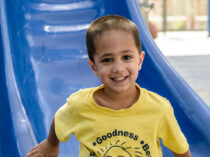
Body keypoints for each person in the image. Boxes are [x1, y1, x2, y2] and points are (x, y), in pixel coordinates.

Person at [26, 15, 191, 157]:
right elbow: (60, 120)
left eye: (126, 57)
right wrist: (51, 144)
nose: (118, 68)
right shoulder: (79, 105)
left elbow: (180, 149)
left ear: (139, 61)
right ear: (94, 67)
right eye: (107, 60)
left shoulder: (159, 108)